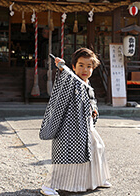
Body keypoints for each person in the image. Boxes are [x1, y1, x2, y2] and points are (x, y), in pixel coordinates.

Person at [39, 48, 111, 195]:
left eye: (89, 66)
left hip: (86, 126)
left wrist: (94, 109)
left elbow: (92, 101)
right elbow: (65, 79)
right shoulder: (71, 80)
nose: (85, 69)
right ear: (73, 66)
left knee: (97, 148)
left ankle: (98, 179)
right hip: (69, 128)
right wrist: (61, 68)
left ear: (93, 68)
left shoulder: (87, 84)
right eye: (81, 65)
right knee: (66, 158)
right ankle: (48, 186)